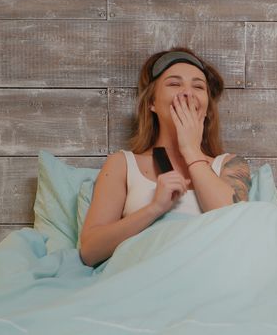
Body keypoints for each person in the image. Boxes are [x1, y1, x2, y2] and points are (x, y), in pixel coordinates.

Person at [79, 47, 251, 267]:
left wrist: (191, 151)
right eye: (174, 84)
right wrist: (154, 208)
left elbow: (235, 228)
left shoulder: (229, 165)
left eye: (198, 86)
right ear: (151, 103)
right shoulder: (122, 164)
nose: (187, 93)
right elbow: (89, 252)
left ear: (207, 108)